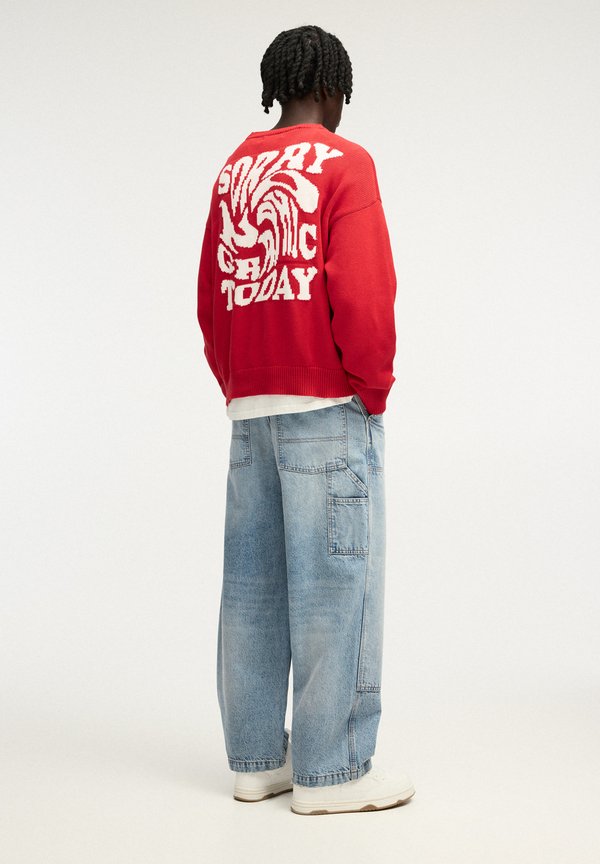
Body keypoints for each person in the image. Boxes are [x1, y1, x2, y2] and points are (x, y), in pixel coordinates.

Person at [197, 24, 415, 815]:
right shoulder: (346, 164)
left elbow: (211, 295)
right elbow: (363, 293)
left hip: (250, 411)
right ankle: (334, 772)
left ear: (278, 87)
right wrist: (372, 390)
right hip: (327, 405)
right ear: (331, 89)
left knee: (252, 590)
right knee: (335, 591)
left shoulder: (234, 168)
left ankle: (257, 760)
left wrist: (239, 385)